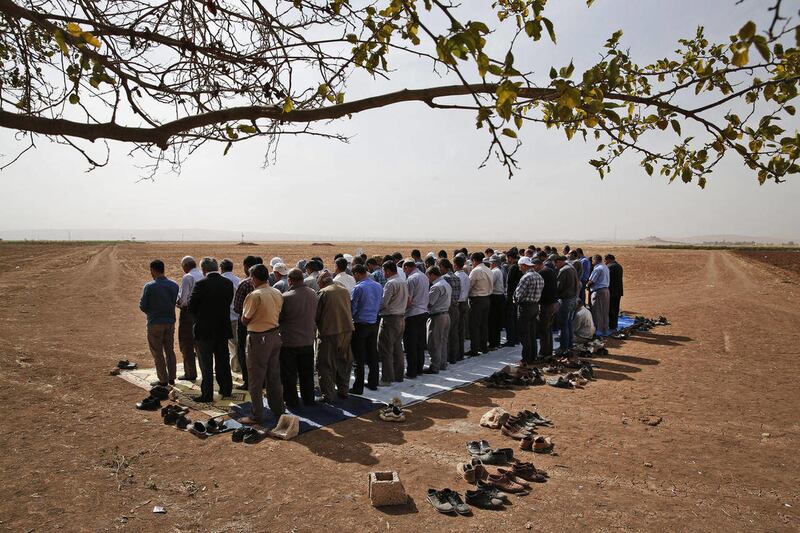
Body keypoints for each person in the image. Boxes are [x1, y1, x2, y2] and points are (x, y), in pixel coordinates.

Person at [239, 264, 284, 424]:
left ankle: (256, 415)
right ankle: (278, 409)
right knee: (273, 376)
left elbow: (245, 319)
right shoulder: (277, 292)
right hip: (274, 335)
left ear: (254, 278)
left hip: (259, 338)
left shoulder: (255, 295)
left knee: (256, 378)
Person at [188, 257, 234, 402]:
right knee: (223, 361)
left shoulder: (201, 284)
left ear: (203, 270)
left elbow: (191, 307)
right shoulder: (227, 283)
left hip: (204, 331)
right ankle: (226, 389)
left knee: (206, 364)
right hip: (222, 329)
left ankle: (207, 394)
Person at [278, 268, 317, 407]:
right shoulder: (312, 293)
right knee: (306, 374)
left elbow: (279, 318)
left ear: (290, 280)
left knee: (289, 375)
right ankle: (309, 399)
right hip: (307, 341)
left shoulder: (286, 297)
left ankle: (292, 401)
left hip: (290, 342)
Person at [139, 260, 180, 386]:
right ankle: (172, 377)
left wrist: (152, 313)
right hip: (170, 322)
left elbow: (143, 305)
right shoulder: (174, 285)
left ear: (153, 270)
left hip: (155, 322)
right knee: (169, 350)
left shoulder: (149, 286)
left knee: (157, 352)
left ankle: (163, 379)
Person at [315, 271, 354, 402]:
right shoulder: (343, 290)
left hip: (329, 333)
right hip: (347, 331)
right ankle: (344, 390)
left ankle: (328, 395)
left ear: (322, 282)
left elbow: (316, 315)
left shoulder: (323, 293)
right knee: (344, 362)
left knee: (325, 364)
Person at [349, 264, 383, 393]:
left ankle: (358, 387)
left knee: (359, 358)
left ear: (357, 273)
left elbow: (353, 308)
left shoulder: (358, 288)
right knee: (373, 354)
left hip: (360, 325)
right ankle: (373, 382)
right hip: (374, 323)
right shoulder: (378, 286)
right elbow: (380, 303)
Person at [377, 260, 408, 385]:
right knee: (397, 347)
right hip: (401, 317)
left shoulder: (391, 283)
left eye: (384, 271)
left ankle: (386, 378)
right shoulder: (403, 282)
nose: (384, 273)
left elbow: (384, 303)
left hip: (390, 319)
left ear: (388, 270)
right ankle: (398, 375)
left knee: (386, 349)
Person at [232, 255, 258, 390]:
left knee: (243, 351)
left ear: (247, 267)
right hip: (262, 324)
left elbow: (237, 307)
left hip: (245, 323)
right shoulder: (266, 284)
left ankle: (247, 381)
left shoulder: (244, 284)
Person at [176, 256, 203, 381]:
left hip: (188, 314)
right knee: (200, 344)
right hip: (201, 313)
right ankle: (205, 372)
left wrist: (177, 303)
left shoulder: (188, 277)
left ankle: (190, 373)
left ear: (185, 266)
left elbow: (184, 300)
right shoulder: (203, 274)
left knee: (186, 344)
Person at [514, 257, 544, 365]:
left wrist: (515, 301)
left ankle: (525, 359)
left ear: (524, 265)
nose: (519, 269)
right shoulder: (539, 276)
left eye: (519, 266)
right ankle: (532, 356)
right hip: (535, 306)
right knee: (531, 333)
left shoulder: (526, 277)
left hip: (525, 307)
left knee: (524, 333)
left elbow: (518, 295)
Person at [403, 259, 429, 378]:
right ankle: (419, 369)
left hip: (413, 314)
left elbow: (409, 300)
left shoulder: (411, 279)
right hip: (423, 312)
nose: (404, 271)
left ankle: (411, 371)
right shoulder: (424, 276)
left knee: (411, 345)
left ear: (408, 267)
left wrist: (403, 312)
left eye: (404, 269)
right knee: (419, 343)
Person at [425, 266, 452, 373]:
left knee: (434, 342)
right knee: (443, 341)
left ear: (432, 274)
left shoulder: (436, 287)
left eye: (428, 276)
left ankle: (435, 366)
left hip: (437, 317)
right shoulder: (446, 284)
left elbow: (429, 303)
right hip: (446, 315)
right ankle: (442, 363)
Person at [467, 252, 492, 356]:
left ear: (474, 261)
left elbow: (469, 285)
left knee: (475, 325)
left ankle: (474, 349)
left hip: (477, 300)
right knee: (484, 325)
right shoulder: (488, 269)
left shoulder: (476, 270)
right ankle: (484, 347)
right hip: (487, 299)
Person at [533, 258, 559, 358]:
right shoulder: (549, 271)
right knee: (548, 329)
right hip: (553, 304)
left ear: (537, 265)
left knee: (544, 329)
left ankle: (544, 353)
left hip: (546, 305)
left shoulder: (542, 273)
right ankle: (548, 351)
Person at [554, 255, 580, 355]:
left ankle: (563, 347)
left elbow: (558, 287)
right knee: (568, 323)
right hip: (573, 299)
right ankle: (569, 345)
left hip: (566, 300)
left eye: (556, 263)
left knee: (563, 324)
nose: (556, 266)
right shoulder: (571, 267)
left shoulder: (564, 270)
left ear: (559, 261)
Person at [219, 258, 241, 373]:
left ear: (221, 268)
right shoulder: (238, 280)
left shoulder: (220, 280)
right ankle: (236, 366)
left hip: (223, 316)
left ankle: (234, 368)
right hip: (235, 316)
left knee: (224, 345)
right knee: (235, 344)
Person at [438, 259, 461, 365]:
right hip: (456, 307)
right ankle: (453, 357)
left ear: (444, 267)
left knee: (445, 335)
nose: (439, 269)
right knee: (454, 334)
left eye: (440, 267)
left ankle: (445, 357)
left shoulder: (445, 278)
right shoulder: (457, 277)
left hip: (448, 308)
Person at [587, 254, 611, 337]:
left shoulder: (597, 268)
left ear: (596, 260)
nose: (592, 262)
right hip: (606, 291)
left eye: (593, 260)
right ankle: (605, 329)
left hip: (598, 291)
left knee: (597, 311)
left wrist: (587, 286)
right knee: (604, 311)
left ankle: (598, 330)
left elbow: (592, 281)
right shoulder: (605, 267)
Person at [453, 255, 470, 360]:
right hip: (464, 303)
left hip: (458, 304)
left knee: (455, 330)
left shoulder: (456, 276)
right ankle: (460, 353)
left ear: (455, 265)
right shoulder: (466, 276)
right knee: (461, 330)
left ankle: (455, 354)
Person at [504, 249, 521, 348]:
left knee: (510, 319)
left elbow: (509, 284)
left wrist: (508, 297)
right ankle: (516, 338)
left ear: (510, 257)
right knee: (515, 318)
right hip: (517, 296)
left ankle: (511, 340)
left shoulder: (513, 268)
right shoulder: (519, 266)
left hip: (511, 297)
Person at [488, 255, 506, 350]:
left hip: (495, 297)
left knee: (493, 321)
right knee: (497, 321)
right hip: (500, 297)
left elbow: (490, 284)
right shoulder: (500, 270)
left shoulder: (495, 271)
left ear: (493, 263)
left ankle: (493, 343)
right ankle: (496, 342)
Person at [605, 254, 624, 330]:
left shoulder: (610, 267)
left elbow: (607, 279)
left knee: (611, 309)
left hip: (612, 291)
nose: (605, 262)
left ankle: (611, 325)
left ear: (609, 259)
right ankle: (614, 324)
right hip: (618, 291)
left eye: (605, 260)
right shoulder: (619, 266)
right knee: (616, 308)